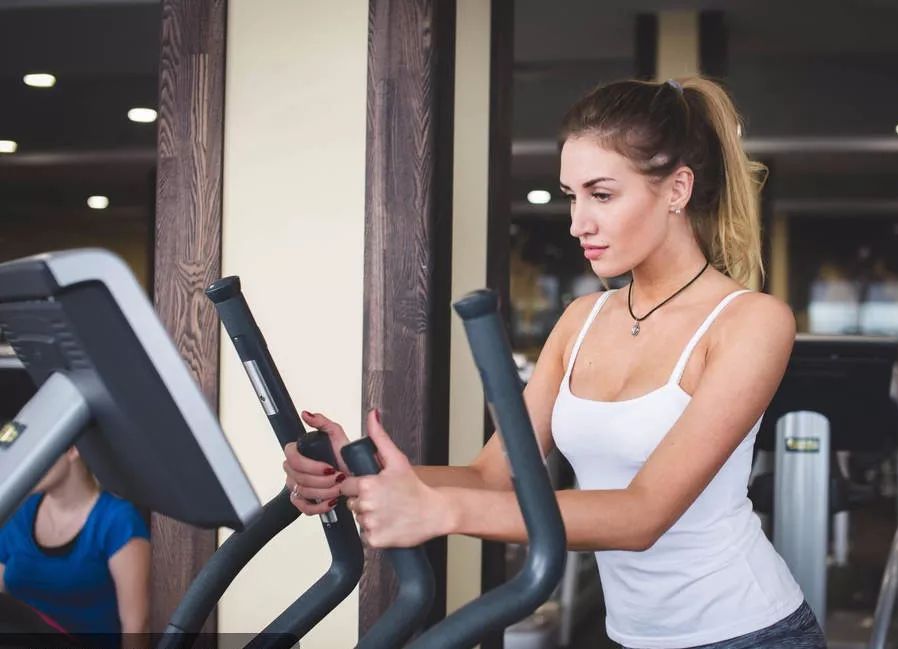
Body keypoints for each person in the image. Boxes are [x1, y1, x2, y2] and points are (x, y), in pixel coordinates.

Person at [284, 77, 825, 648]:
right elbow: (493, 475)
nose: (577, 223)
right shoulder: (581, 319)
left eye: (602, 194)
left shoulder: (750, 322)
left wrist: (439, 510)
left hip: (747, 631)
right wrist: (351, 472)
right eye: (571, 195)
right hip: (631, 636)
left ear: (677, 190)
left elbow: (642, 515)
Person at [0, 445, 150, 646]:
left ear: (72, 450)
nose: (26, 462)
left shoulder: (118, 521)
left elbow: (136, 627)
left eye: (36, 449)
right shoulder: (21, 511)